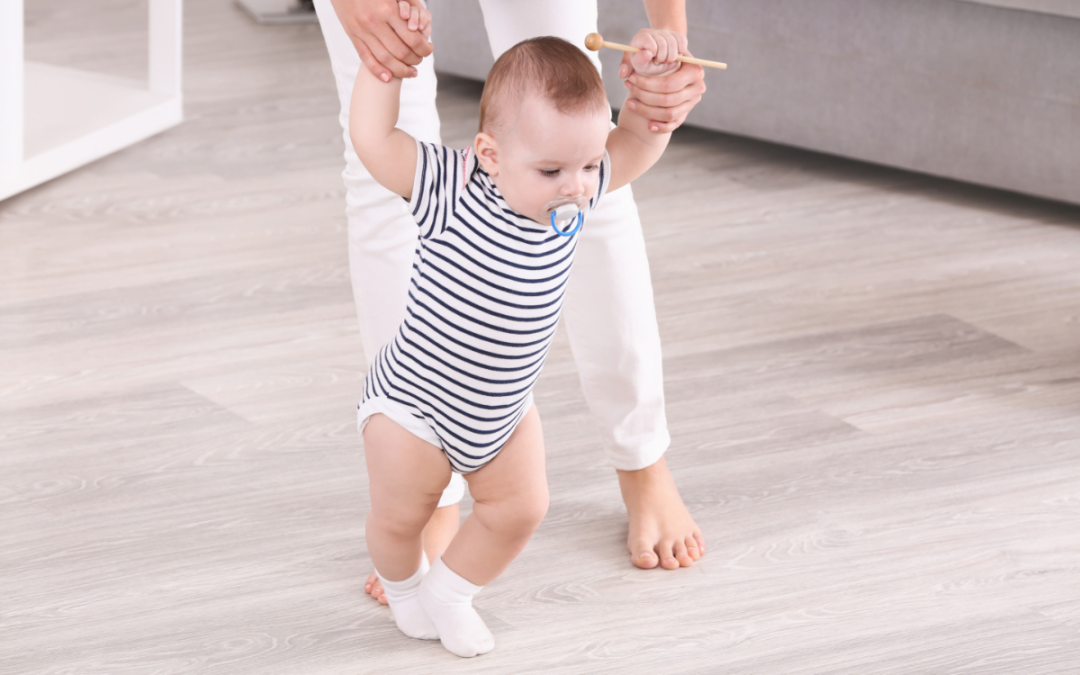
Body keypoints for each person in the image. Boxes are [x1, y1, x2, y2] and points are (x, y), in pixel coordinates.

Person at [312, 0, 708, 606]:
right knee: (382, 180)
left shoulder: (583, 183)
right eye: (552, 172)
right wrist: (381, 65)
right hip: (419, 392)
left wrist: (660, 74)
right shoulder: (447, 186)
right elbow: (377, 138)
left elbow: (626, 144)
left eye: (588, 168)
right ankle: (427, 501)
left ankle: (640, 456)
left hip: (503, 411)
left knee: (573, 120)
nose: (576, 185)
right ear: (487, 155)